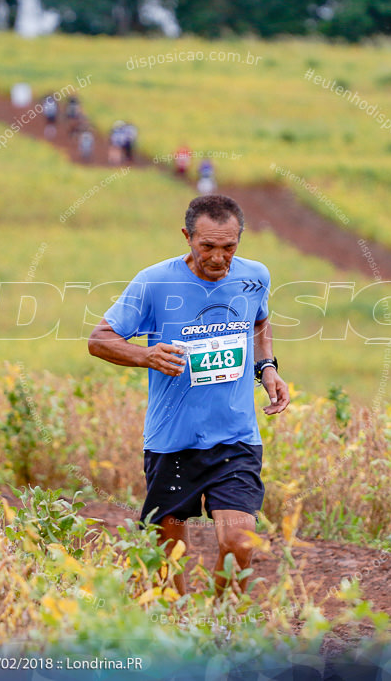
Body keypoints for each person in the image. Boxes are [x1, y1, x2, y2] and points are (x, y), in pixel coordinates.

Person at [88, 194, 290, 596]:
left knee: (239, 543)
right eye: (207, 247)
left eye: (229, 247)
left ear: (240, 240)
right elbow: (99, 340)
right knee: (167, 559)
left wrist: (266, 368)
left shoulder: (255, 276)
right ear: (187, 237)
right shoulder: (154, 282)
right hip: (172, 442)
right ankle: (177, 629)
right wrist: (146, 354)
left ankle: (220, 629)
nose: (219, 258)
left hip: (235, 438)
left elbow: (260, 321)